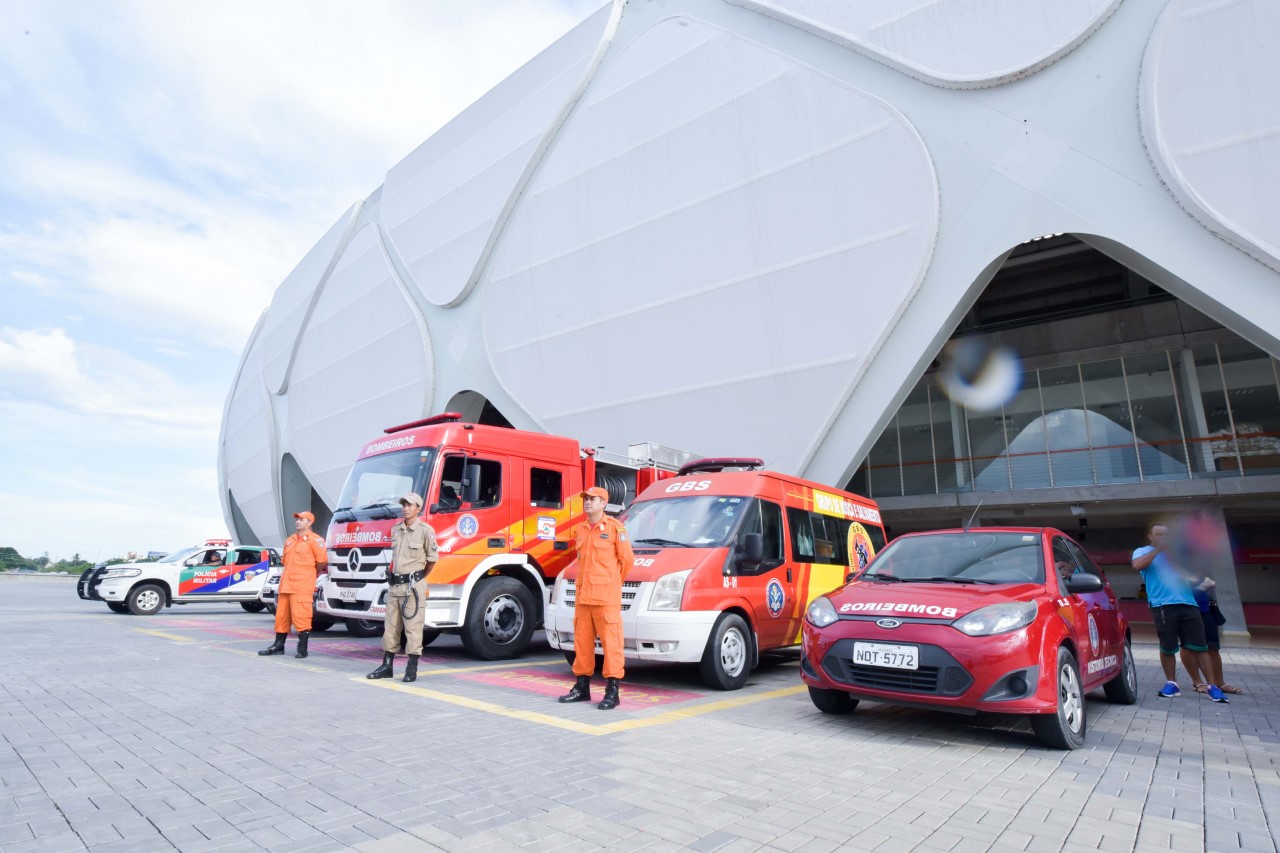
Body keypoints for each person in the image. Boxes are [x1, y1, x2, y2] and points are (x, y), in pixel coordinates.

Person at [1132, 521, 1228, 703]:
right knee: (1167, 646)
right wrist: (1158, 550)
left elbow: (1193, 576)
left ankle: (1213, 687)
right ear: (1151, 537)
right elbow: (1137, 566)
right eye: (1159, 535)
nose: (1163, 538)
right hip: (1162, 605)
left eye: (1166, 535)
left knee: (1201, 647)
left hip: (1189, 604)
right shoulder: (1143, 551)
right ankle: (1172, 684)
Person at [559, 486, 634, 710]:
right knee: (581, 645)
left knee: (611, 645)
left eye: (593, 499)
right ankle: (582, 688)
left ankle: (612, 691)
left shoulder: (614, 528)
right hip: (583, 598)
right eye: (586, 499)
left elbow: (627, 560)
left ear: (603, 503)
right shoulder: (581, 529)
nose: (588, 502)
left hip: (606, 599)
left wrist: (611, 583)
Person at [367, 493, 438, 683]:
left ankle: (411, 667)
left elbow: (431, 560)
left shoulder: (425, 530)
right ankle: (387, 666)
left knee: (413, 628)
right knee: (390, 628)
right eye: (404, 504)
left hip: (413, 587)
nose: (405, 508)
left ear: (418, 508)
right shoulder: (396, 530)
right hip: (395, 586)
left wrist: (417, 577)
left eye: (410, 505)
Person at [259, 511, 327, 659]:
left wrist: (308, 574)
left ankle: (302, 648)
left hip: (302, 585)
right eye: (297, 519)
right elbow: (285, 561)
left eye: (302, 519)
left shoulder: (316, 540)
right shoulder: (290, 540)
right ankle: (278, 646)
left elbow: (321, 562)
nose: (297, 522)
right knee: (281, 616)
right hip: (286, 584)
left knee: (302, 616)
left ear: (309, 523)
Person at [1180, 575, 1245, 696]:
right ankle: (1197, 682)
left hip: (1205, 608)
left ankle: (1219, 682)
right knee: (1188, 646)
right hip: (1184, 607)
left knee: (1212, 646)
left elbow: (1208, 580)